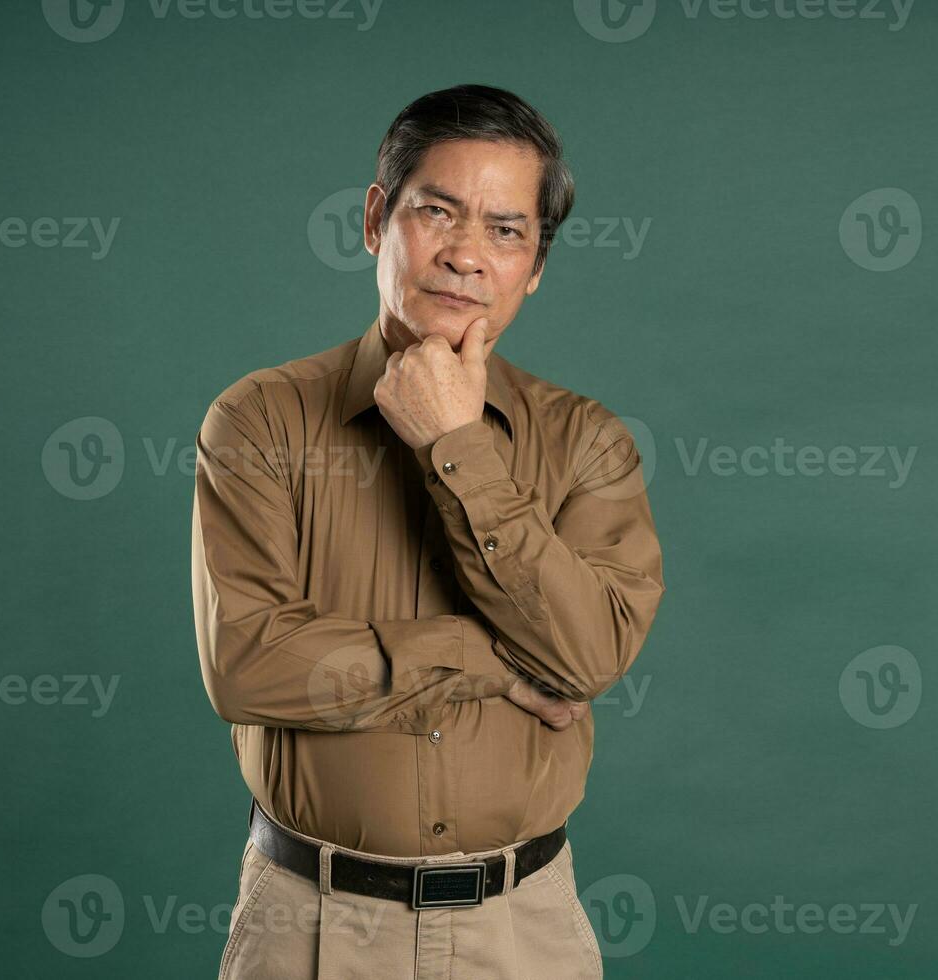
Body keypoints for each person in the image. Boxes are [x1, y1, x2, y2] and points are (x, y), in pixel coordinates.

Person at [192, 82, 665, 979]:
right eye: (437, 212)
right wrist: (488, 659)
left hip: (524, 929)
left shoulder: (588, 443)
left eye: (506, 230)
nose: (465, 256)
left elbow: (592, 655)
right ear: (377, 219)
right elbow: (248, 663)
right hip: (310, 929)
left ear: (536, 265)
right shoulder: (257, 421)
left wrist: (457, 444)